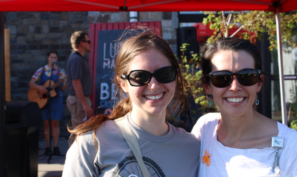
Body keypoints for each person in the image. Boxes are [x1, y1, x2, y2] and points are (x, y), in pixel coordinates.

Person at [62, 30, 200, 177]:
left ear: (175, 77)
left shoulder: (193, 148)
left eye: (164, 74)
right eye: (140, 76)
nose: (153, 85)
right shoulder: (92, 142)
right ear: (123, 84)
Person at [191, 38, 297, 177]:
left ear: (259, 83)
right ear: (207, 86)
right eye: (222, 78)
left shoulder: (292, 146)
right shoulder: (205, 129)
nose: (235, 87)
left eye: (247, 76)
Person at [29, 50, 67, 156]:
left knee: (55, 123)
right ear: (47, 58)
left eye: (55, 57)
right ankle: (47, 147)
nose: (53, 59)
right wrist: (40, 88)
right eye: (51, 57)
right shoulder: (42, 70)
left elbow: (63, 88)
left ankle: (55, 147)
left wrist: (66, 83)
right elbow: (31, 83)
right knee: (46, 124)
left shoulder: (61, 71)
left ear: (57, 59)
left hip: (56, 99)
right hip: (44, 100)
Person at [66, 31, 93, 130]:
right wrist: (84, 104)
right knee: (79, 131)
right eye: (88, 41)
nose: (90, 43)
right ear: (82, 43)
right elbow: (76, 82)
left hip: (79, 100)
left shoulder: (77, 58)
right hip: (79, 101)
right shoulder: (76, 59)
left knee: (82, 131)